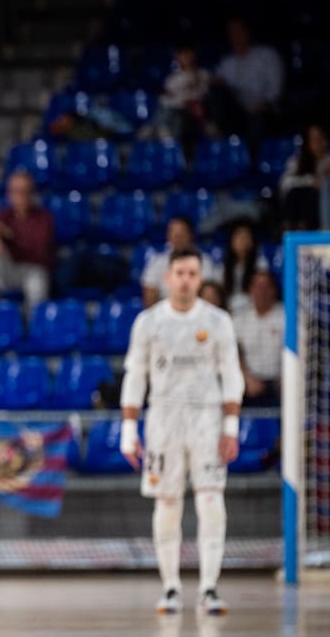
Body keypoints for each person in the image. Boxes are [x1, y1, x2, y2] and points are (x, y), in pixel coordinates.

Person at [120, 247, 244, 615]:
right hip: (163, 418)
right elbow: (135, 375)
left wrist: (231, 427)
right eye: (181, 273)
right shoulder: (148, 322)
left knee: (210, 502)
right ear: (168, 277)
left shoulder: (219, 321)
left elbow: (232, 375)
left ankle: (209, 587)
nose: (186, 280)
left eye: (193, 273)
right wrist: (129, 429)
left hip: (207, 418)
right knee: (168, 503)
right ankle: (171, 587)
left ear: (201, 278)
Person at [206, 17, 283, 150]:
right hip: (237, 114)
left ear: (247, 31)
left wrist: (262, 105)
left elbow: (275, 89)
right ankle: (222, 151)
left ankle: (252, 165)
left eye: (238, 31)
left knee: (257, 121)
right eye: (231, 32)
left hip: (263, 111)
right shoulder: (227, 62)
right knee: (214, 92)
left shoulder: (267, 55)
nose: (235, 36)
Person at [0, 170, 55, 308]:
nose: (21, 196)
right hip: (10, 270)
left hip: (33, 270)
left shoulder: (43, 218)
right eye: (16, 191)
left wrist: (11, 236)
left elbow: (38, 251)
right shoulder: (4, 215)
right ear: (9, 194)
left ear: (32, 193)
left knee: (37, 280)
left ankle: (34, 321)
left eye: (25, 191)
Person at [140, 216, 218, 307]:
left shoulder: (205, 261)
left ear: (191, 235)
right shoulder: (157, 262)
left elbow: (209, 294)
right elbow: (150, 294)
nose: (177, 237)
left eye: (182, 233)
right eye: (173, 233)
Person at [233, 270, 284, 407]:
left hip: (280, 381)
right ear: (250, 290)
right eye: (258, 286)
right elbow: (233, 351)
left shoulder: (286, 318)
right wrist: (245, 376)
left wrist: (287, 375)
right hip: (248, 381)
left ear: (274, 290)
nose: (262, 291)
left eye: (266, 286)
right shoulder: (240, 318)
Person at [153, 43, 211, 155]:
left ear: (194, 55)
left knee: (175, 116)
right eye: (182, 54)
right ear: (177, 57)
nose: (186, 57)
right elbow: (165, 100)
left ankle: (161, 134)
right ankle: (169, 144)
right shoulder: (172, 79)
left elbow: (202, 95)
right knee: (172, 114)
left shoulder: (203, 75)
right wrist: (181, 100)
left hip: (196, 116)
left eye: (188, 53)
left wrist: (184, 98)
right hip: (176, 113)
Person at [279, 123, 330, 231]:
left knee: (312, 194)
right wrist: (310, 181)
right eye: (312, 139)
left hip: (323, 209)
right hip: (298, 209)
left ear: (325, 140)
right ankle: (292, 229)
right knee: (296, 192)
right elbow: (284, 184)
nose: (316, 143)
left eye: (319, 138)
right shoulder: (297, 162)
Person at [220, 222, 267, 315]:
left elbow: (261, 290)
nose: (242, 242)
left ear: (252, 241)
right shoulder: (223, 265)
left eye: (246, 238)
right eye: (239, 238)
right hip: (229, 309)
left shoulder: (261, 263)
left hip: (252, 309)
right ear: (232, 241)